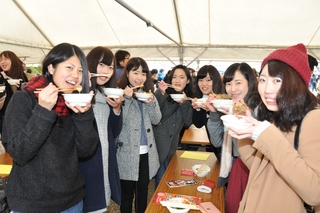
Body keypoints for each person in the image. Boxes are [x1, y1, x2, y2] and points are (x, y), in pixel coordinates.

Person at [2, 43, 98, 213]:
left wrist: (83, 114)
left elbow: (86, 150)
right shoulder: (23, 99)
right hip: (31, 204)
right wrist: (43, 111)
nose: (75, 75)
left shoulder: (74, 101)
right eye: (69, 67)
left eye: (80, 70)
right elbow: (19, 152)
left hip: (72, 201)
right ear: (51, 67)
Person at [229, 43, 320, 212]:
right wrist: (245, 127)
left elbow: (315, 191)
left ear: (297, 83)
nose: (267, 89)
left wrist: (267, 135)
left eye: (277, 80)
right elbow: (257, 167)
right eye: (263, 80)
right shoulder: (279, 116)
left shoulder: (314, 118)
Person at [206, 62, 259, 213]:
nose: (232, 89)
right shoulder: (231, 108)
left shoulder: (259, 110)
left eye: (238, 83)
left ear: (250, 83)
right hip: (237, 167)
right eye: (229, 83)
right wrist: (214, 113)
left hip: (256, 170)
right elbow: (217, 142)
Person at [79, 46, 123, 212]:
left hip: (105, 156)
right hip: (86, 161)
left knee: (100, 203)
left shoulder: (108, 94)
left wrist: (117, 110)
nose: (106, 71)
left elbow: (114, 131)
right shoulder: (79, 93)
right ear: (90, 64)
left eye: (110, 67)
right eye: (102, 65)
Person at [117, 57, 161, 213]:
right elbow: (118, 124)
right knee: (127, 196)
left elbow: (157, 120)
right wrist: (126, 100)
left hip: (146, 153)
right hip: (127, 154)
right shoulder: (119, 94)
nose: (140, 77)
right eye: (135, 72)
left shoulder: (148, 93)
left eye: (143, 73)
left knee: (142, 194)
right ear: (127, 73)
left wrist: (152, 102)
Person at [153, 64, 194, 188]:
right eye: (174, 77)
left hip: (172, 145)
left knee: (168, 178)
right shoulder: (162, 94)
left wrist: (184, 103)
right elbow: (156, 117)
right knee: (160, 179)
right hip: (158, 144)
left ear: (187, 80)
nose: (177, 80)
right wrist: (160, 93)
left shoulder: (189, 97)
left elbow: (188, 122)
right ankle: (157, 204)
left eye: (181, 77)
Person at [190, 65, 224, 157]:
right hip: (214, 147)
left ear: (216, 81)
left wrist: (212, 111)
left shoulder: (222, 100)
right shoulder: (203, 99)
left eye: (208, 80)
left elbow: (222, 128)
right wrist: (197, 108)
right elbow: (198, 124)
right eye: (200, 80)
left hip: (225, 149)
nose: (204, 84)